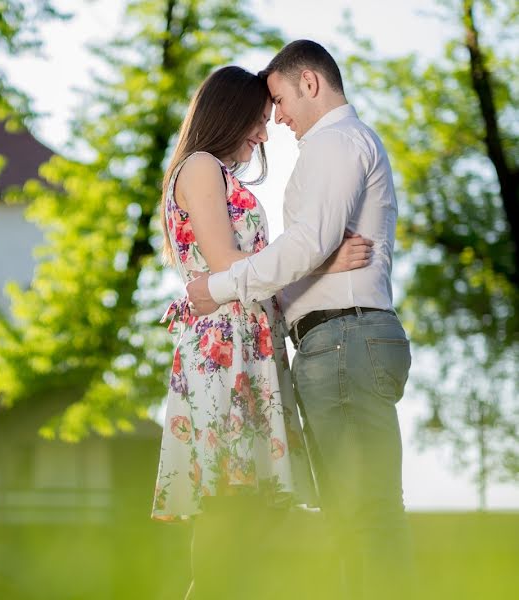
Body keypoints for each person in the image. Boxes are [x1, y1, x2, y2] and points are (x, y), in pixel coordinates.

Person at [185, 40, 413, 600]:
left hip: (343, 339)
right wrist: (319, 260)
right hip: (333, 343)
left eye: (279, 103)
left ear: (309, 83)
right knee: (352, 511)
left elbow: (309, 242)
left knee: (362, 511)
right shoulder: (331, 146)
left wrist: (215, 288)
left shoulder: (334, 143)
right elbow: (313, 249)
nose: (277, 121)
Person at [150, 64, 373, 599]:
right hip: (225, 354)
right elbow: (228, 264)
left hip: (248, 350)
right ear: (229, 114)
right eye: (257, 116)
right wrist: (325, 261)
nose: (266, 128)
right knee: (232, 507)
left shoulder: (219, 173)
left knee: (256, 509)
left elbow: (248, 273)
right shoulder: (201, 166)